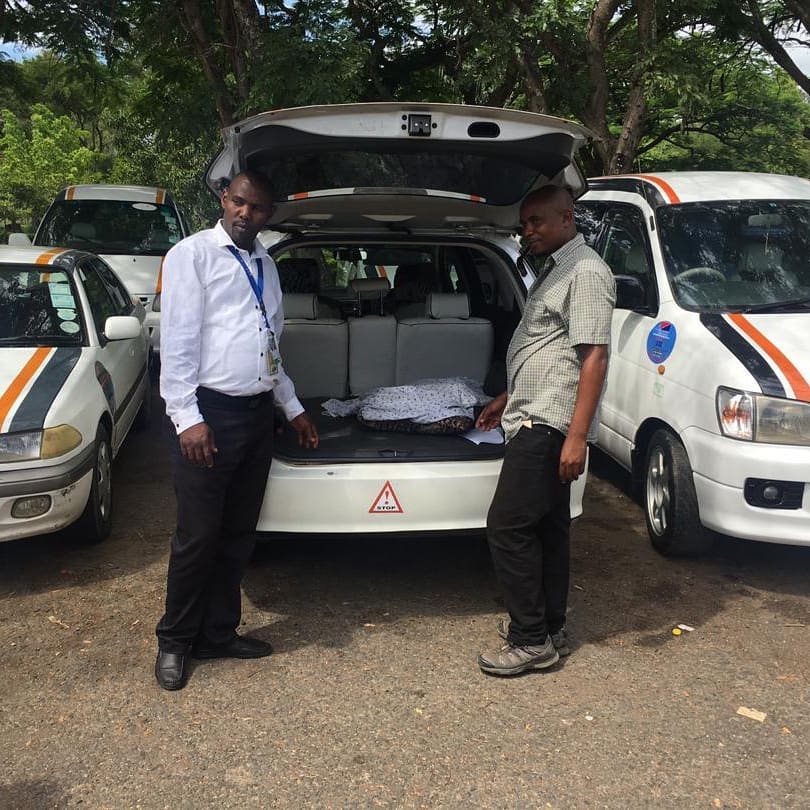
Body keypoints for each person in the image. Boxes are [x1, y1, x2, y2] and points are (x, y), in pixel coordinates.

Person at [155, 170, 319, 691]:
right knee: (197, 537)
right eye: (240, 203)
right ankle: (175, 642)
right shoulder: (193, 255)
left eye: (259, 208)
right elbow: (178, 342)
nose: (247, 214)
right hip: (209, 414)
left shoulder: (267, 265)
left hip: (255, 415)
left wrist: (291, 406)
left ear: (270, 214)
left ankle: (220, 633)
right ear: (224, 198)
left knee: (237, 534)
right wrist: (188, 417)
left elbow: (269, 347)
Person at [475, 185, 615, 676]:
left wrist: (577, 437)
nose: (527, 231)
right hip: (532, 410)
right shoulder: (556, 269)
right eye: (523, 224)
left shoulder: (587, 272)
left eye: (536, 222)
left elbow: (593, 356)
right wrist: (507, 396)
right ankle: (550, 625)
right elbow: (548, 350)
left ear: (566, 217)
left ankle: (530, 639)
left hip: (549, 424)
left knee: (508, 527)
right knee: (549, 529)